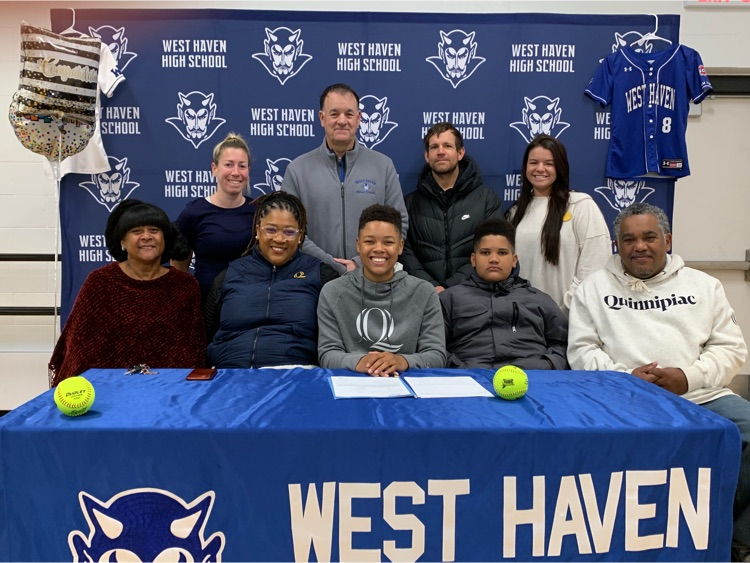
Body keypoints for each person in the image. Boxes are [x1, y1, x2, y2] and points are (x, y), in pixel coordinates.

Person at [567, 202, 750, 560]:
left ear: (667, 239)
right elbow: (582, 353)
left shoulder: (705, 286)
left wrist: (687, 377)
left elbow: (731, 350)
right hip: (623, 399)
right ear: (616, 245)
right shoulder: (591, 289)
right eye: (629, 239)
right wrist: (626, 381)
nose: (640, 246)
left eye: (649, 237)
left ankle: (730, 536)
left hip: (702, 396)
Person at [49, 200, 206, 386]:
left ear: (165, 239)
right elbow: (80, 349)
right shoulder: (100, 282)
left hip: (171, 389)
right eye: (136, 231)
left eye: (154, 230)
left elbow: (193, 349)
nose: (147, 236)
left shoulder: (184, 285)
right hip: (107, 389)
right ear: (122, 241)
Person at [281, 83, 408, 275]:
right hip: (315, 275)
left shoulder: (383, 166)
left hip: (371, 275)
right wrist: (329, 264)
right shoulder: (297, 170)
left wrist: (360, 262)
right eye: (334, 114)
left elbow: (399, 224)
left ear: (358, 119)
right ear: (322, 118)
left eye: (349, 114)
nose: (342, 121)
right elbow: (289, 229)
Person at [204, 192, 338, 368]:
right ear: (258, 230)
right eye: (271, 229)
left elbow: (337, 339)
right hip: (231, 374)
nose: (279, 239)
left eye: (289, 232)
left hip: (295, 375)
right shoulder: (230, 275)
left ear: (300, 236)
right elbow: (207, 332)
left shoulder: (321, 274)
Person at [317, 204, 446, 376]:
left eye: (388, 242)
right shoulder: (332, 292)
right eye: (369, 241)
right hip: (351, 384)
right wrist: (361, 362)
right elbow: (327, 355)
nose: (379, 249)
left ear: (400, 246)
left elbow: (436, 355)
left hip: (405, 384)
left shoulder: (424, 292)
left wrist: (401, 361)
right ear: (358, 245)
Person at [440, 219, 568, 370]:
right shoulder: (449, 299)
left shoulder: (540, 300)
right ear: (473, 260)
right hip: (471, 381)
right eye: (485, 252)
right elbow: (434, 346)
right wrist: (459, 368)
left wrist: (547, 364)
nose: (494, 259)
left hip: (533, 380)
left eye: (502, 253)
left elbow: (564, 345)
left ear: (514, 260)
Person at [507, 134, 611, 315]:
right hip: (525, 321)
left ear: (560, 167)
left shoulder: (581, 205)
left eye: (549, 163)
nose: (540, 169)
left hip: (568, 320)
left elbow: (595, 266)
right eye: (533, 162)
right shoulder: (515, 213)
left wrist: (566, 310)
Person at [401, 122, 503, 292]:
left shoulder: (486, 199)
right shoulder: (410, 203)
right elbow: (404, 250)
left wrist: (451, 287)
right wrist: (431, 286)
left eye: (447, 146)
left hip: (474, 294)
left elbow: (492, 247)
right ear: (427, 155)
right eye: (434, 147)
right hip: (424, 296)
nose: (440, 152)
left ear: (460, 152)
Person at [173, 132, 256, 301]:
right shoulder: (194, 212)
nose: (235, 172)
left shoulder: (258, 211)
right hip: (205, 303)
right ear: (214, 169)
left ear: (248, 171)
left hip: (248, 304)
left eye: (242, 166)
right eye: (228, 165)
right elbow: (179, 265)